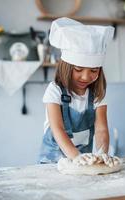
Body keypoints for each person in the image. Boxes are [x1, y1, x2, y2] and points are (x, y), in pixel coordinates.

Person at [39, 17, 116, 166]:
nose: (86, 77)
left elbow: (101, 129)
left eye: (94, 70)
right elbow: (58, 129)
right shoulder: (54, 91)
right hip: (52, 164)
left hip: (82, 163)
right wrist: (75, 157)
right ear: (66, 67)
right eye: (79, 70)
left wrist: (102, 154)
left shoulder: (97, 94)